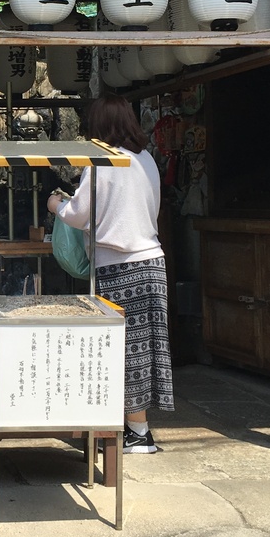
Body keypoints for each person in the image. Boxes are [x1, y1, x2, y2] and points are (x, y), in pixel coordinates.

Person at [47, 93, 174, 454]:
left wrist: (56, 204)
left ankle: (130, 433)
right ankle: (139, 429)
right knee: (146, 349)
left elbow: (78, 215)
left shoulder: (101, 163)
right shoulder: (146, 159)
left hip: (119, 268)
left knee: (116, 349)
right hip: (153, 262)